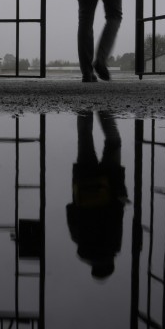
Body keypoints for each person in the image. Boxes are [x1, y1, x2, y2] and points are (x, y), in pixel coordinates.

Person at [66, 110, 128, 280]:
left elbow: (117, 214)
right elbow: (71, 211)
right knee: (84, 136)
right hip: (84, 181)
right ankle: (86, 97)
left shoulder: (113, 246)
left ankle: (104, 107)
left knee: (113, 142)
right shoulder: (80, 243)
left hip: (109, 181)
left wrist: (121, 194)